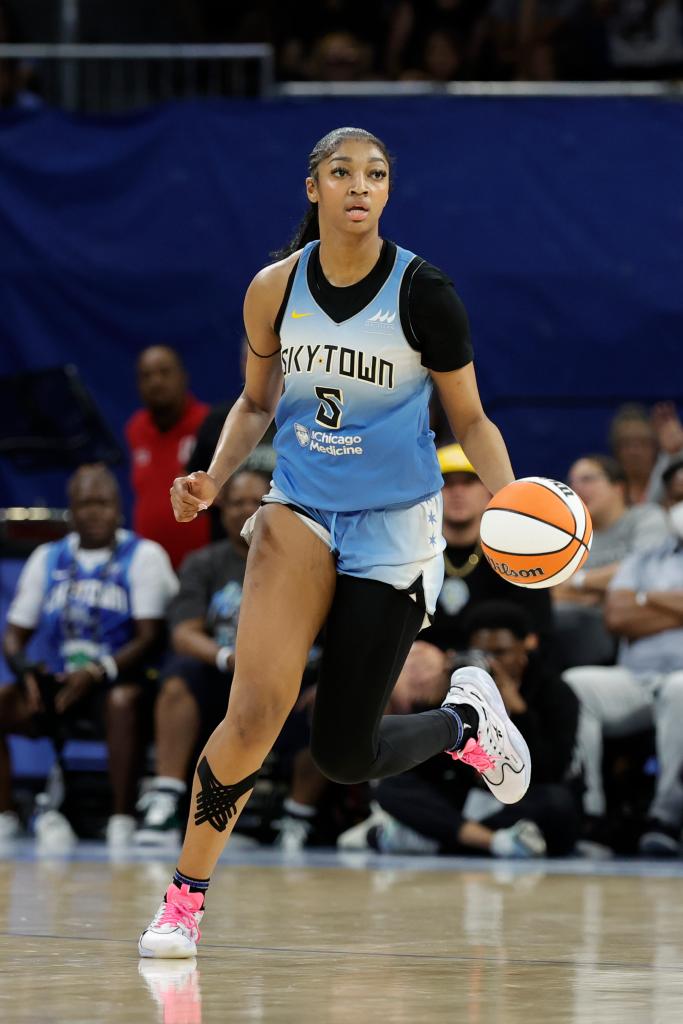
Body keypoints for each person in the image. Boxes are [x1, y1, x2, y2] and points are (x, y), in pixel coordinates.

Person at [139, 125, 531, 958]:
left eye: (376, 174)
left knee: (345, 753)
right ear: (313, 188)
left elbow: (468, 418)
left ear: (388, 193)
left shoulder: (425, 293)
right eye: (342, 172)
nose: (360, 185)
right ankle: (183, 899)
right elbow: (253, 402)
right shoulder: (272, 289)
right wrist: (215, 474)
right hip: (299, 508)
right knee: (251, 714)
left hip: (394, 525)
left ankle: (462, 722)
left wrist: (513, 503)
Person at [0, 464, 178, 848]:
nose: (93, 512)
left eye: (102, 503)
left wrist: (99, 671)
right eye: (84, 504)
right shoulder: (47, 558)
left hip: (120, 682)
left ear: (119, 508)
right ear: (71, 510)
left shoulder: (144, 555)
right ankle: (6, 815)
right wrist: (26, 669)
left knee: (121, 701)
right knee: (3, 701)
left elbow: (151, 637)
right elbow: (14, 635)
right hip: (61, 684)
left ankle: (122, 819)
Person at [338, 602, 579, 858]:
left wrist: (519, 710)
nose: (491, 662)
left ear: (525, 648)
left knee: (559, 803)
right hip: (461, 795)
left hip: (516, 800)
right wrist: (435, 703)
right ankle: (493, 842)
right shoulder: (460, 684)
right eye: (483, 653)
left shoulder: (555, 692)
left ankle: (434, 839)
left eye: (501, 652)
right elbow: (421, 767)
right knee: (391, 787)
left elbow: (553, 769)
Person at [135, 468, 270, 846]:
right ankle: (165, 798)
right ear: (221, 508)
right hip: (222, 671)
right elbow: (183, 633)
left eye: (255, 503)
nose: (245, 510)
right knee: (178, 678)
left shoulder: (294, 561)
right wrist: (228, 658)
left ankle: (296, 816)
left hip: (281, 674)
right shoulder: (204, 563)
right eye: (237, 502)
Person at [564, 458, 683, 856]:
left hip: (680, 682)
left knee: (680, 689)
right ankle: (592, 812)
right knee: (576, 685)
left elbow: (631, 608)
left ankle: (665, 817)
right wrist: (668, 605)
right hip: (637, 678)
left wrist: (645, 601)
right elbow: (616, 616)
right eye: (676, 496)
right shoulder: (647, 556)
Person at [422, 443, 554, 653]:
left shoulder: (517, 556)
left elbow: (536, 636)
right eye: (446, 483)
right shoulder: (412, 557)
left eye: (469, 482)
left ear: (488, 491)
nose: (457, 492)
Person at [552, 454, 670, 668]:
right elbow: (552, 592)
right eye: (572, 482)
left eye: (587, 479)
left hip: (640, 630)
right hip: (580, 632)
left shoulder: (646, 518)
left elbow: (646, 573)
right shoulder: (567, 535)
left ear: (618, 487)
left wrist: (578, 581)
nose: (576, 488)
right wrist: (605, 591)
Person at [125, 345, 210, 569]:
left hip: (200, 568)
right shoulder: (135, 429)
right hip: (149, 569)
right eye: (147, 376)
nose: (156, 382)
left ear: (183, 377)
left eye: (164, 372)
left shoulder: (209, 425)